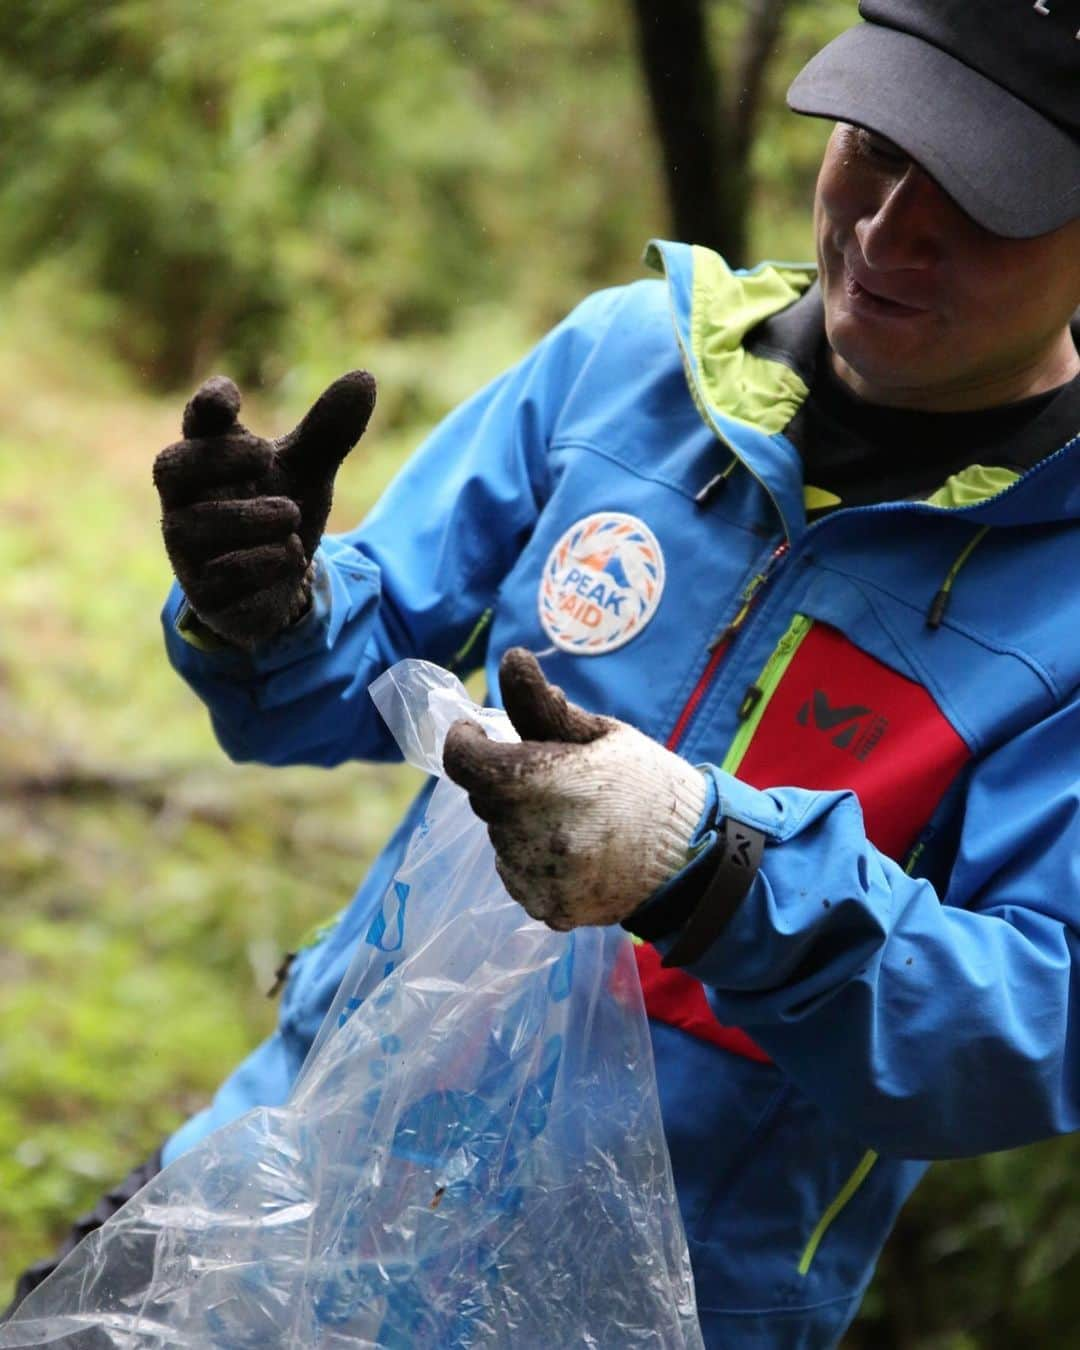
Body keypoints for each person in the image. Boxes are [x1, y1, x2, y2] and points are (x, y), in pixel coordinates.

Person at [10, 1, 1080, 1344]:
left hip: (640, 1298)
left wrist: (716, 872)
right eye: (874, 145)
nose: (888, 229)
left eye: (982, 199)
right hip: (297, 1167)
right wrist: (267, 610)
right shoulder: (630, 364)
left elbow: (1032, 1027)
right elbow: (359, 655)